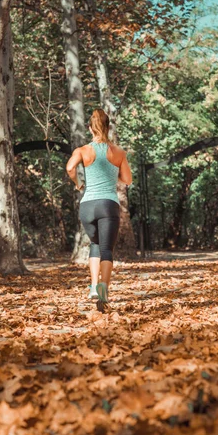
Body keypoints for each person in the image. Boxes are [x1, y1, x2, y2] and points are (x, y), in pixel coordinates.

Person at [66, 109, 132, 311]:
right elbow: (128, 180)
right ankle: (103, 292)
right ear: (108, 127)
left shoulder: (82, 151)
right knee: (106, 249)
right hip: (108, 205)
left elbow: (70, 168)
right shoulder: (118, 152)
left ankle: (94, 286)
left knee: (95, 243)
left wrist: (78, 183)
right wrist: (115, 177)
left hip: (87, 206)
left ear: (89, 128)